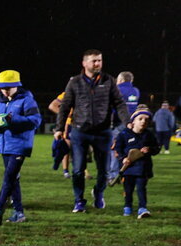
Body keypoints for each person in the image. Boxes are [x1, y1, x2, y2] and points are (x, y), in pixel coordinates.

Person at [53, 49, 129, 213]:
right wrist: (59, 128)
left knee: (104, 170)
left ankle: (98, 193)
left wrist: (127, 123)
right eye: (94, 61)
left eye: (100, 60)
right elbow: (65, 107)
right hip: (80, 132)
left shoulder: (109, 81)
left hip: (103, 133)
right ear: (84, 63)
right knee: (78, 169)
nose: (97, 64)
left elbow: (120, 104)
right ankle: (79, 200)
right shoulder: (75, 82)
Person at [0, 70, 42, 225]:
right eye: (3, 87)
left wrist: (12, 119)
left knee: (9, 177)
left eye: (9, 87)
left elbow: (35, 121)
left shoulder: (27, 100)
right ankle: (19, 213)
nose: (5, 90)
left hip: (20, 145)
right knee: (13, 179)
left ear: (17, 86)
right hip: (4, 145)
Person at [112, 109, 160, 218]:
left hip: (143, 168)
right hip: (128, 168)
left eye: (146, 120)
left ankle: (142, 208)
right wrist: (123, 158)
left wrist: (150, 150)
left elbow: (156, 148)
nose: (143, 122)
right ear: (133, 121)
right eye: (140, 119)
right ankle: (127, 207)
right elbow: (118, 149)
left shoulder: (149, 135)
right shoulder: (124, 134)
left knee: (141, 188)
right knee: (128, 189)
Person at [106, 71, 141, 181]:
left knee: (114, 149)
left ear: (120, 80)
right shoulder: (136, 91)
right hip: (132, 124)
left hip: (118, 123)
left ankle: (113, 175)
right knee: (128, 148)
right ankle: (126, 173)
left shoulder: (116, 90)